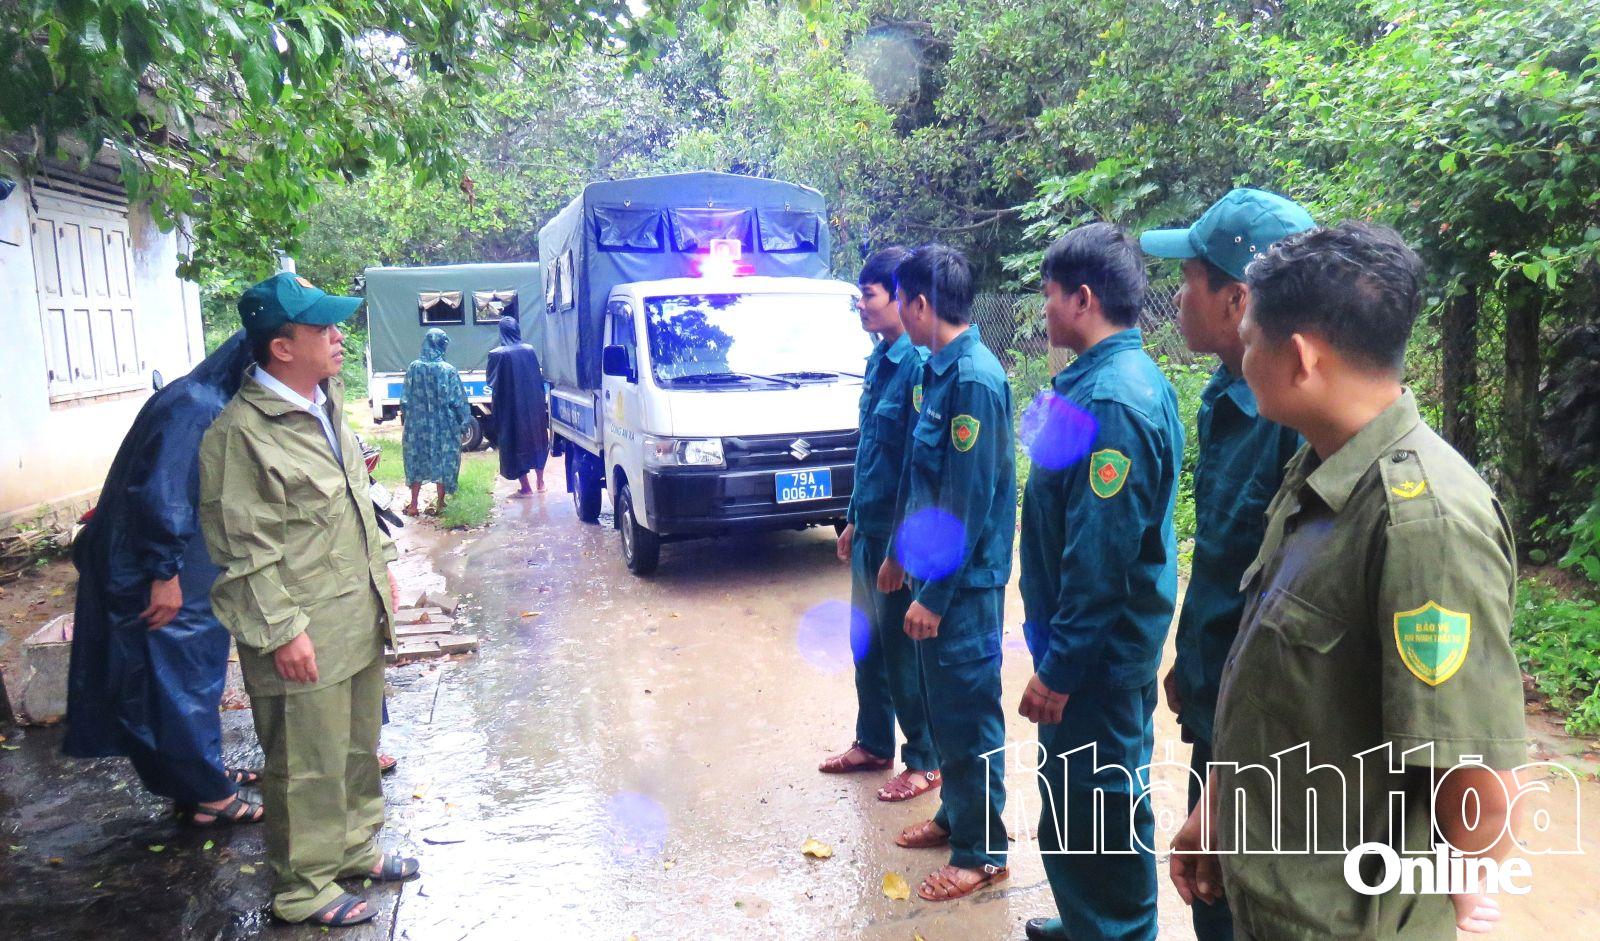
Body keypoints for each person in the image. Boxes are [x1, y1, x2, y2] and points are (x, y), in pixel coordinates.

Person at [1169, 223, 1528, 939]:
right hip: (1273, 899)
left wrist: (1436, 890)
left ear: (1299, 356)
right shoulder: (1321, 467)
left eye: (1249, 339)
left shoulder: (1424, 527)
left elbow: (1481, 795)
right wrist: (1218, 805)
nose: (1241, 356)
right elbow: (1283, 680)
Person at [199, 272, 418, 928]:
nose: (337, 336)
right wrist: (281, 629)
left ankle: (353, 847)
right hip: (300, 624)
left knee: (354, 743)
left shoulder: (322, 404)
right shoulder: (243, 434)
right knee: (304, 759)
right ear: (281, 348)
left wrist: (384, 574)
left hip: (352, 610)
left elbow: (355, 503)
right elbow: (243, 549)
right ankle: (303, 885)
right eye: (321, 328)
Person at [1137, 189, 1313, 941]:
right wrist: (1192, 656)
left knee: (1241, 897)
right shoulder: (1223, 395)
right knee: (1211, 889)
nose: (1178, 295)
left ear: (1237, 298)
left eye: (1192, 278)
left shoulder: (1290, 424)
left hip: (1263, 728)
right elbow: (1222, 559)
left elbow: (1284, 593)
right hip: (1219, 695)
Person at [1015, 223, 1184, 941]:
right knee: (1075, 803)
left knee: (1102, 806)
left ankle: (1115, 928)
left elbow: (1101, 556)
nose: (1043, 311)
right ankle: (1089, 919)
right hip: (1085, 651)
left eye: (1049, 296)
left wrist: (1059, 669)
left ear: (1082, 299)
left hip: (1095, 660)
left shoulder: (1113, 400)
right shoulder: (1092, 381)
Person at [64, 331, 265, 827]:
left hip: (167, 557)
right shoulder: (196, 408)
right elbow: (164, 492)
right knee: (182, 672)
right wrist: (164, 571)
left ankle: (199, 775)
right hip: (158, 562)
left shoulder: (198, 397)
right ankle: (207, 795)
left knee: (185, 669)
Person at [878, 244, 1015, 902]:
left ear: (921, 304)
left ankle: (982, 850)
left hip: (962, 590)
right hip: (930, 582)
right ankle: (957, 814)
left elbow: (969, 498)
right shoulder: (935, 371)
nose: (900, 313)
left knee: (970, 715)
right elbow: (918, 475)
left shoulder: (976, 380)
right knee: (943, 708)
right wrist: (897, 556)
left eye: (902, 301)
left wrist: (933, 594)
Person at [819, 246, 941, 803]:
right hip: (868, 530)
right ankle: (873, 742)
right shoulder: (880, 358)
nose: (861, 307)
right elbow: (873, 452)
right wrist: (851, 521)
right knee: (865, 642)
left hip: (896, 542)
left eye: (868, 296)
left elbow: (917, 470)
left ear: (901, 298)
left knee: (902, 651)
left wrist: (898, 550)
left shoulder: (916, 366)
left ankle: (924, 759)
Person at [401, 328, 473, 516]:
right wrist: (463, 422)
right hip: (444, 425)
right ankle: (441, 503)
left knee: (416, 460)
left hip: (417, 427)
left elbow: (404, 400)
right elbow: (458, 400)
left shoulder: (413, 368)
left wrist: (412, 418)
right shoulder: (448, 370)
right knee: (443, 459)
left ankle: (414, 505)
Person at [485, 314, 550, 496]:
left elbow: (491, 382)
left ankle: (526, 487)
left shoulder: (496, 354)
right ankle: (540, 482)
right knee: (537, 441)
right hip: (532, 405)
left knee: (514, 443)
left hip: (510, 409)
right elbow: (537, 377)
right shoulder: (529, 350)